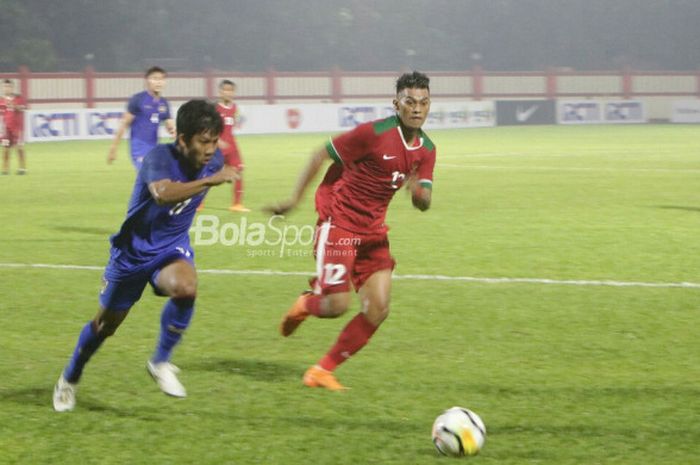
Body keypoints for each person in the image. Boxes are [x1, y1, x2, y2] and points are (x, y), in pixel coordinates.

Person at [53, 100, 239, 412]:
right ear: (182, 139)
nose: (209, 150)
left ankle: (160, 362)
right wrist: (209, 180)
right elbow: (162, 193)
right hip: (132, 254)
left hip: (170, 247)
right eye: (202, 141)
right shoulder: (159, 158)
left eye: (213, 141)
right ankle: (69, 379)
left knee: (186, 287)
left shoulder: (214, 159)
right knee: (105, 327)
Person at [266, 71, 435, 391]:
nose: (416, 108)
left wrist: (417, 193)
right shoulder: (372, 134)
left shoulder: (427, 149)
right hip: (340, 223)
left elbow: (424, 200)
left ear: (429, 106)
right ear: (396, 103)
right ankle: (305, 304)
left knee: (378, 309)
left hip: (373, 234)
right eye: (410, 102)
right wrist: (293, 200)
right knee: (336, 306)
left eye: (423, 103)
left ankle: (321, 371)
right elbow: (320, 154)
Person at [107, 66, 175, 170]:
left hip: (154, 147)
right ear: (147, 81)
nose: (159, 82)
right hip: (139, 147)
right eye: (155, 79)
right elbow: (124, 124)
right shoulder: (138, 99)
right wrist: (114, 147)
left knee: (150, 181)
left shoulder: (164, 103)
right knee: (151, 177)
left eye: (161, 79)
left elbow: (170, 125)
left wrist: (174, 132)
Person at [200, 79, 249, 212]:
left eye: (230, 90)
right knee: (207, 174)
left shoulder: (235, 108)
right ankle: (198, 203)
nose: (228, 93)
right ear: (220, 92)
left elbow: (233, 125)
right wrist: (216, 140)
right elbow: (206, 126)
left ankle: (237, 204)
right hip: (217, 147)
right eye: (225, 90)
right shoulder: (215, 108)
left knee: (238, 171)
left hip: (232, 146)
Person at [1, 79, 27, 175]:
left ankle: (22, 168)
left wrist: (14, 106)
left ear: (12, 87)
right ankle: (5, 169)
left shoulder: (19, 98)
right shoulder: (1, 100)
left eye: (8, 86)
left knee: (19, 147)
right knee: (6, 148)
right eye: (5, 86)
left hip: (17, 127)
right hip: (6, 128)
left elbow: (23, 108)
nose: (6, 88)